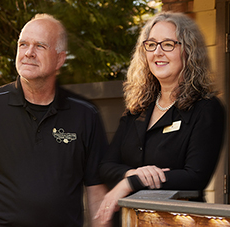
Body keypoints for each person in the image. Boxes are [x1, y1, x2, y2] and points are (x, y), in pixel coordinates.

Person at [0, 14, 110, 227]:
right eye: (23, 44)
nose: (28, 52)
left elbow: (97, 192)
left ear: (60, 59)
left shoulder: (85, 115)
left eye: (40, 46)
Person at [95, 11, 225, 225]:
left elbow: (195, 176)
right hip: (131, 221)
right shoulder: (138, 109)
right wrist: (134, 172)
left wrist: (132, 183)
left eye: (168, 44)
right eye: (151, 44)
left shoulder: (206, 108)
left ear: (188, 50)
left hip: (178, 222)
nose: (157, 52)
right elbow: (107, 166)